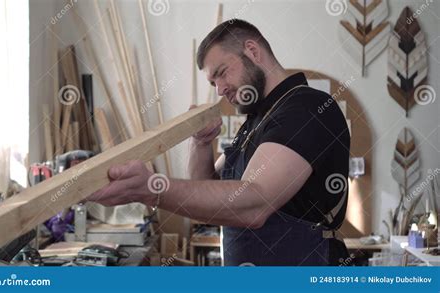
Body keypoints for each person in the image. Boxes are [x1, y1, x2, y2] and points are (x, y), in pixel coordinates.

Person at [88, 19, 351, 266]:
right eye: (213, 82)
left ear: (252, 51)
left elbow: (254, 204)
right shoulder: (256, 122)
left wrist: (151, 189)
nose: (219, 90)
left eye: (222, 73)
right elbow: (208, 193)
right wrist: (201, 142)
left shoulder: (306, 108)